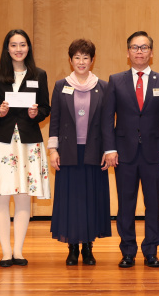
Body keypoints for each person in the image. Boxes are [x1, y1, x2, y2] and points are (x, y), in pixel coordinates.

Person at [0, 29, 51, 267]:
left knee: (24, 196)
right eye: (14, 45)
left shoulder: (39, 74)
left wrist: (37, 113)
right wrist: (0, 112)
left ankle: (18, 251)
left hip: (28, 141)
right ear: (7, 48)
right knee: (1, 196)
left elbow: (47, 108)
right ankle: (6, 252)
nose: (19, 49)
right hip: (1, 141)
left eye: (23, 45)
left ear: (28, 48)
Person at [101, 31, 159, 268]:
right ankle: (128, 251)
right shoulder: (116, 80)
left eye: (144, 48)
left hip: (155, 153)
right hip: (124, 153)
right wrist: (110, 149)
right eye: (135, 47)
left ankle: (151, 250)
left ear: (151, 53)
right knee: (126, 204)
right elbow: (107, 119)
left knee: (154, 204)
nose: (140, 51)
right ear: (128, 53)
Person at [48, 39, 112, 266]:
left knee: (91, 199)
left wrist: (109, 150)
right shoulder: (60, 85)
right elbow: (54, 119)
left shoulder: (104, 86)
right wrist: (53, 150)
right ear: (71, 60)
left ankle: (88, 247)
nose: (81, 62)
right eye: (77, 57)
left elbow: (107, 122)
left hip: (94, 151)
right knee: (71, 200)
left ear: (92, 60)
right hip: (68, 151)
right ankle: (72, 247)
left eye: (86, 57)